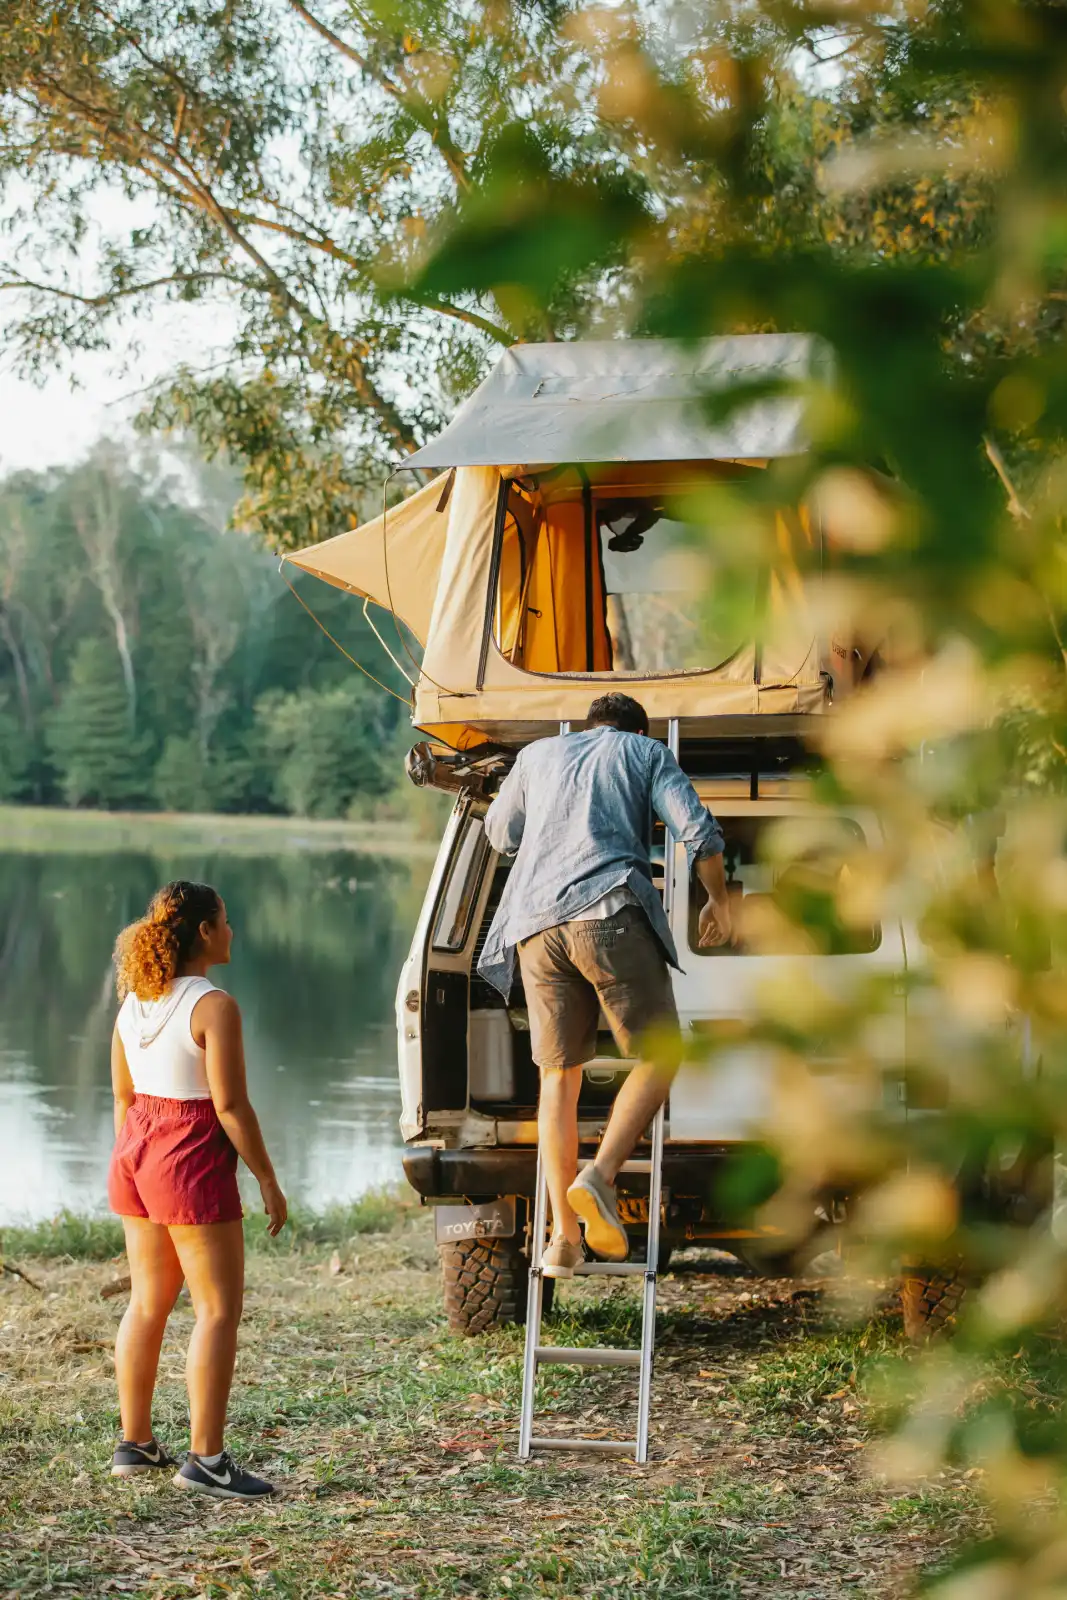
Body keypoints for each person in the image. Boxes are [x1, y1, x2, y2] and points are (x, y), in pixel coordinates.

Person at [479, 694, 731, 1277]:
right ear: (637, 730)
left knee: (557, 1080)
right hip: (608, 912)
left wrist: (550, 841)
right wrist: (719, 901)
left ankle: (563, 1240)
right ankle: (600, 1174)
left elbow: (499, 834)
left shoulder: (538, 754)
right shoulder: (645, 753)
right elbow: (699, 832)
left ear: (590, 725)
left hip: (535, 928)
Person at [107, 880, 287, 1501]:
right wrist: (266, 1177)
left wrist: (136, 1160)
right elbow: (231, 1105)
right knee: (216, 1310)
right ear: (204, 932)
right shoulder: (213, 1005)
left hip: (136, 1147)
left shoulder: (133, 1002)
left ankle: (135, 1444)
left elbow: (124, 1097)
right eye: (226, 921)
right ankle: (206, 1461)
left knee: (148, 1302)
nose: (232, 932)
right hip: (186, 1151)